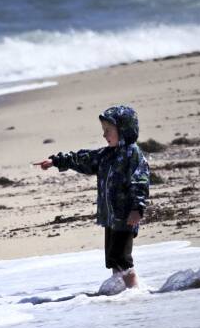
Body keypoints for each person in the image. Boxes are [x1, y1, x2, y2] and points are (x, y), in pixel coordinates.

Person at [34, 105, 150, 290]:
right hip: (110, 218)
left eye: (108, 130)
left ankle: (136, 293)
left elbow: (140, 181)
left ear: (124, 130)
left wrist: (138, 208)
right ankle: (121, 293)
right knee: (113, 259)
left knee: (123, 258)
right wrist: (56, 161)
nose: (104, 135)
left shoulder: (132, 154)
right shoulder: (106, 155)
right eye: (103, 130)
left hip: (126, 217)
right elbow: (83, 159)